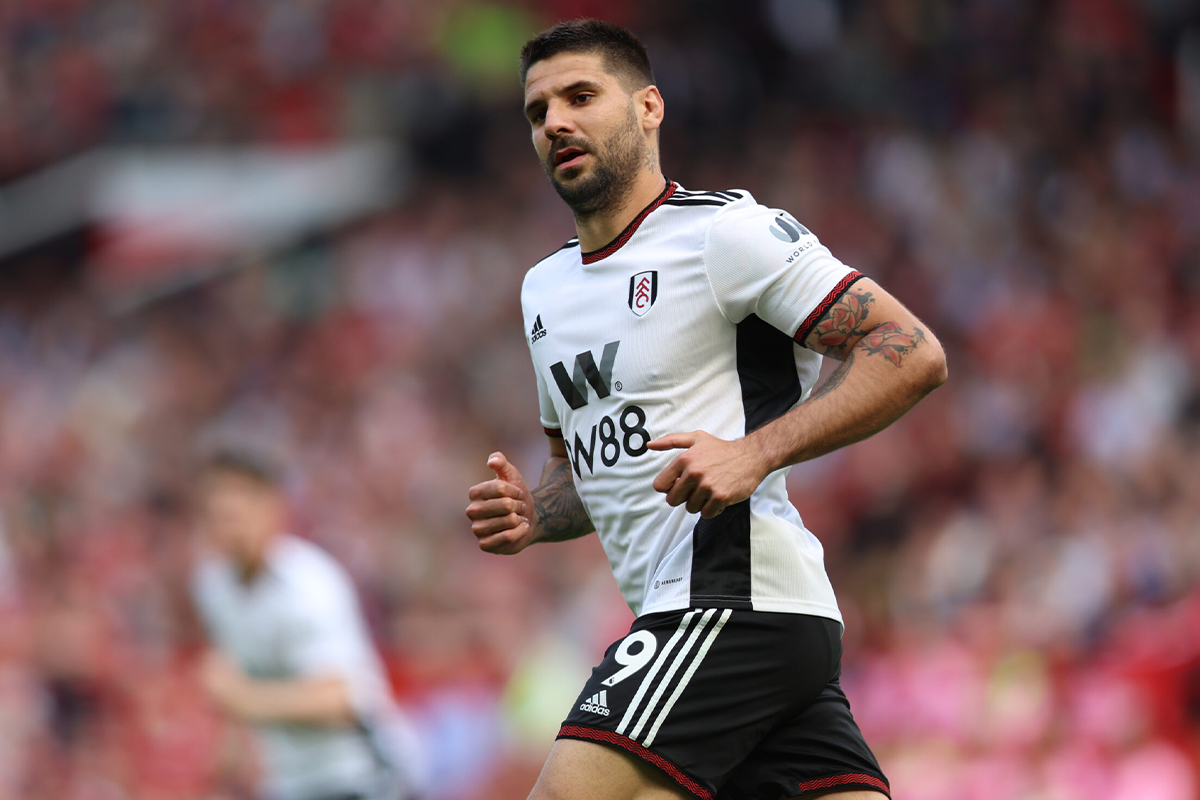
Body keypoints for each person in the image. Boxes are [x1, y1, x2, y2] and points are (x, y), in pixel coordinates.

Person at [465, 18, 948, 800]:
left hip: (729, 600)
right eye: (537, 111)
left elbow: (910, 348)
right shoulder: (542, 291)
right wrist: (535, 513)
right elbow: (586, 470)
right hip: (750, 629)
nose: (555, 122)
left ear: (649, 107)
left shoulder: (727, 234)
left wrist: (754, 452)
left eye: (581, 96)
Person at [194, 449, 423, 800]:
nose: (229, 525)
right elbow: (239, 670)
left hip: (364, 778)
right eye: (219, 513)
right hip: (291, 783)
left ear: (273, 509)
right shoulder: (213, 587)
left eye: (237, 512)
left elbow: (340, 699)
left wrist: (245, 700)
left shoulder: (309, 584)